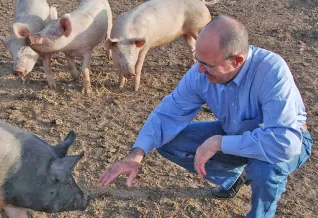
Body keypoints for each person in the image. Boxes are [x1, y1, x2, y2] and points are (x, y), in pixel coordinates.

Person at [99, 15, 313, 217]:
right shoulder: (200, 72)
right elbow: (166, 115)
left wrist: (220, 142)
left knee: (264, 168)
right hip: (234, 133)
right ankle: (236, 177)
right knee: (168, 140)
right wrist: (135, 156)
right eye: (197, 59)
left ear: (237, 61)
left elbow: (285, 144)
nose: (199, 70)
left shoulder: (272, 71)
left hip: (284, 143)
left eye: (208, 65)